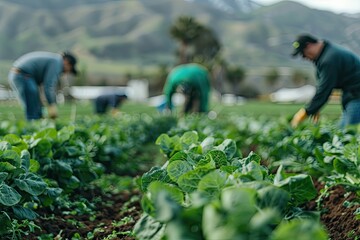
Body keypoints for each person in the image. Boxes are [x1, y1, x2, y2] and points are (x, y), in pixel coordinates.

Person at [290, 34, 360, 128]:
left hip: (357, 96)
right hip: (352, 95)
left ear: (309, 45)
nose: (304, 57)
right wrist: (316, 106)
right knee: (342, 132)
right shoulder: (327, 53)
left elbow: (325, 89)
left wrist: (306, 112)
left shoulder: (329, 59)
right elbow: (321, 84)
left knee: (350, 132)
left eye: (303, 53)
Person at [8, 51, 78, 120]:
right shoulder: (57, 62)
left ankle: (37, 124)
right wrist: (52, 106)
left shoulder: (54, 60)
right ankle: (34, 126)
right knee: (33, 111)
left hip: (21, 75)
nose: (67, 72)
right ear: (67, 62)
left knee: (37, 109)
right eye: (70, 69)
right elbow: (48, 86)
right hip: (23, 75)